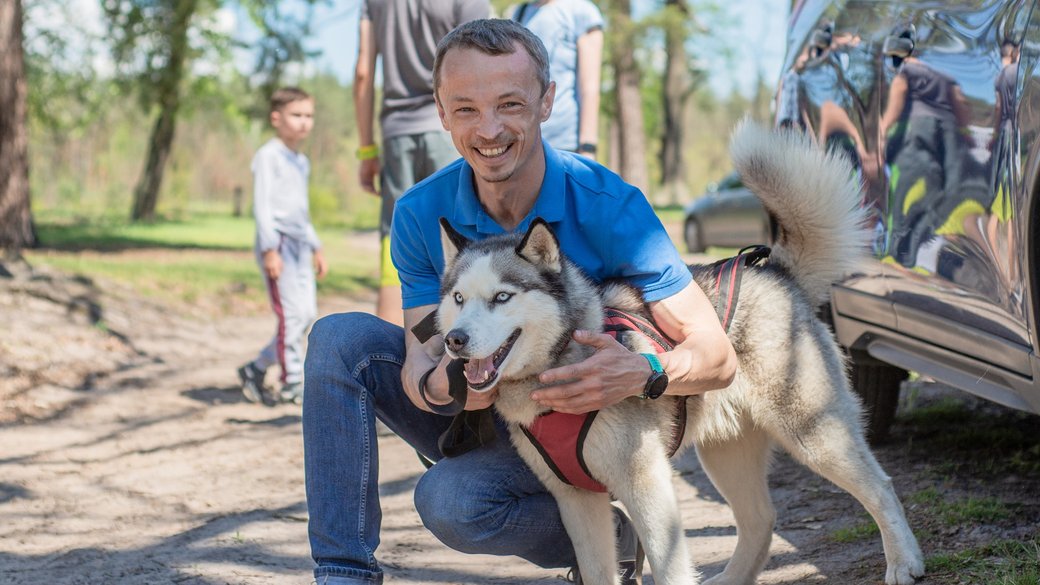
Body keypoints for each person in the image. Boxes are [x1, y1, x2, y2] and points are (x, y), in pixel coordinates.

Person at [302, 19, 735, 585]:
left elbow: (717, 357)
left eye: (509, 103)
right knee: (339, 339)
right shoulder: (417, 213)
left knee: (451, 502)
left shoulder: (610, 206)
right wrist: (446, 387)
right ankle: (342, 575)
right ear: (440, 111)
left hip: (589, 427)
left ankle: (611, 539)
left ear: (547, 100)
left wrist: (641, 371)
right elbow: (422, 356)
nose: (488, 130)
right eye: (465, 109)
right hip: (487, 414)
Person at [354, 0, 490, 327]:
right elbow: (482, 63)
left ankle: (393, 355)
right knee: (463, 244)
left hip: (395, 133)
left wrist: (366, 149)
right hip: (452, 127)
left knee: (395, 241)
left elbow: (363, 74)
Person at [238, 87, 328, 407]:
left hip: (301, 245)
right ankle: (292, 381)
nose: (304, 123)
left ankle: (257, 367)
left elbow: (300, 210)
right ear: (276, 118)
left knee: (306, 315)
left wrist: (316, 246)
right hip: (278, 245)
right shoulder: (268, 156)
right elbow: (262, 206)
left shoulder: (300, 161)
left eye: (309, 116)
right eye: (297, 115)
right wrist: (269, 248)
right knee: (290, 315)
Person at [511, 0, 604, 156]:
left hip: (565, 144)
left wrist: (588, 148)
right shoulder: (520, 13)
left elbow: (590, 88)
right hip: (523, 142)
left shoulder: (583, 12)